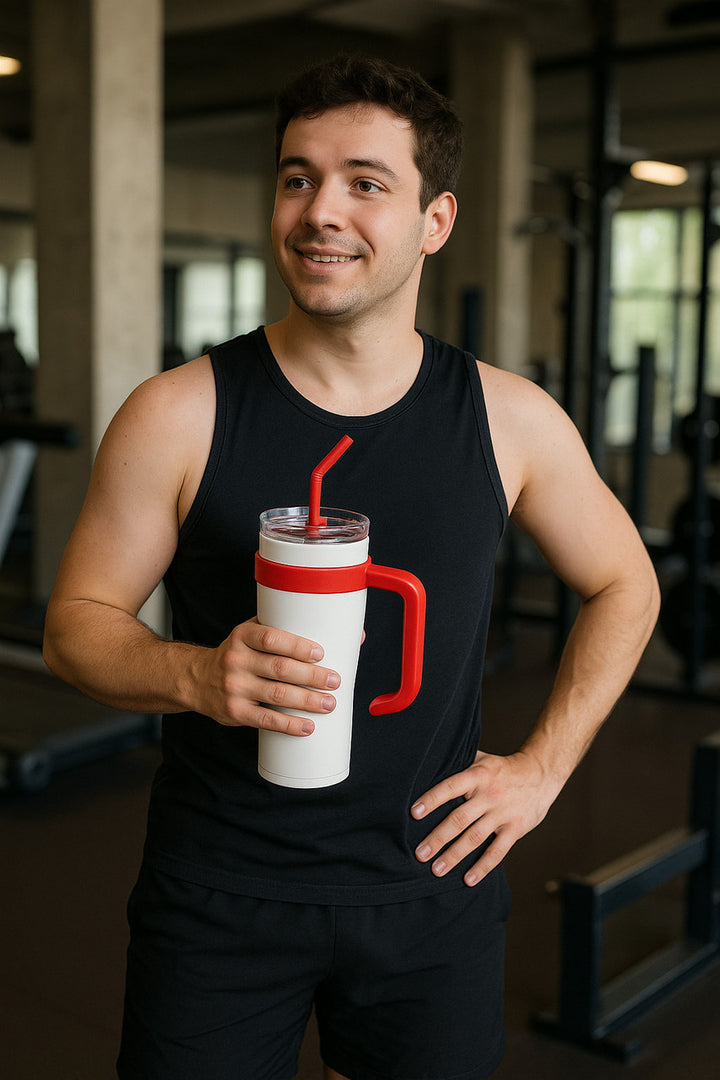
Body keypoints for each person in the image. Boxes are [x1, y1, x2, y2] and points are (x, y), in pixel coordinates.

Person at [43, 53, 660, 1080]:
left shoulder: (510, 423)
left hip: (432, 888)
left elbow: (626, 584)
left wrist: (544, 769)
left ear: (436, 220)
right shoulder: (179, 413)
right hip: (221, 891)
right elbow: (77, 625)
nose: (321, 209)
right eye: (298, 177)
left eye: (366, 182)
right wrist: (194, 673)